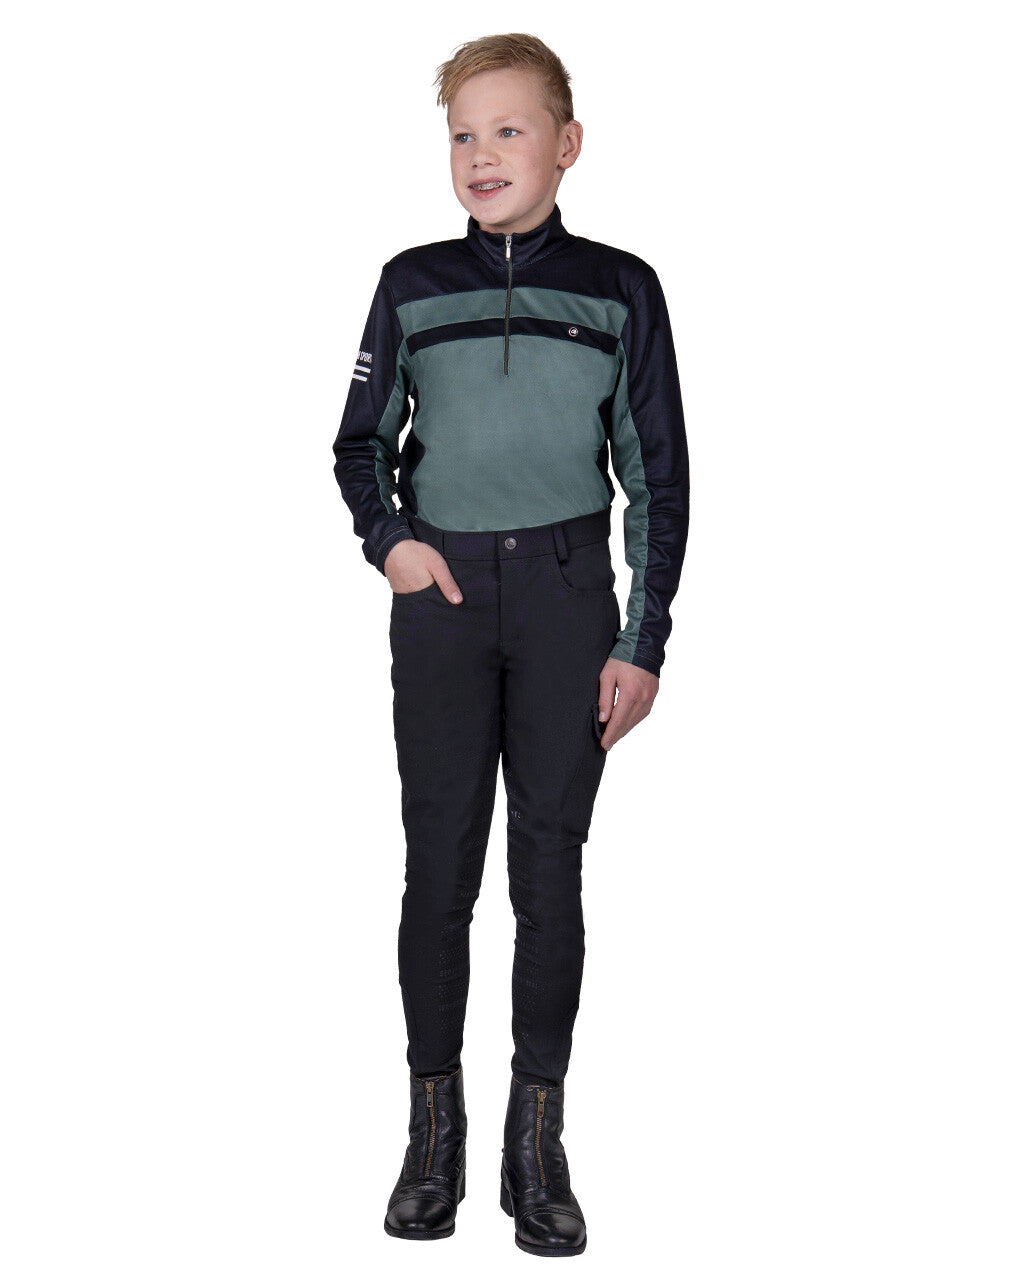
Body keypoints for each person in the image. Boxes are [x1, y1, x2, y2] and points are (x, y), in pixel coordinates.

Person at [332, 32, 689, 1257]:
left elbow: (657, 474)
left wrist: (640, 640)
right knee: (438, 868)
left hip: (564, 596)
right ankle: (432, 1130)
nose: (481, 155)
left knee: (548, 870)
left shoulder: (620, 288)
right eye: (461, 135)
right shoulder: (409, 283)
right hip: (439, 596)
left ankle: (536, 1142)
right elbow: (357, 442)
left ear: (566, 143)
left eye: (508, 130)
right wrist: (392, 543)